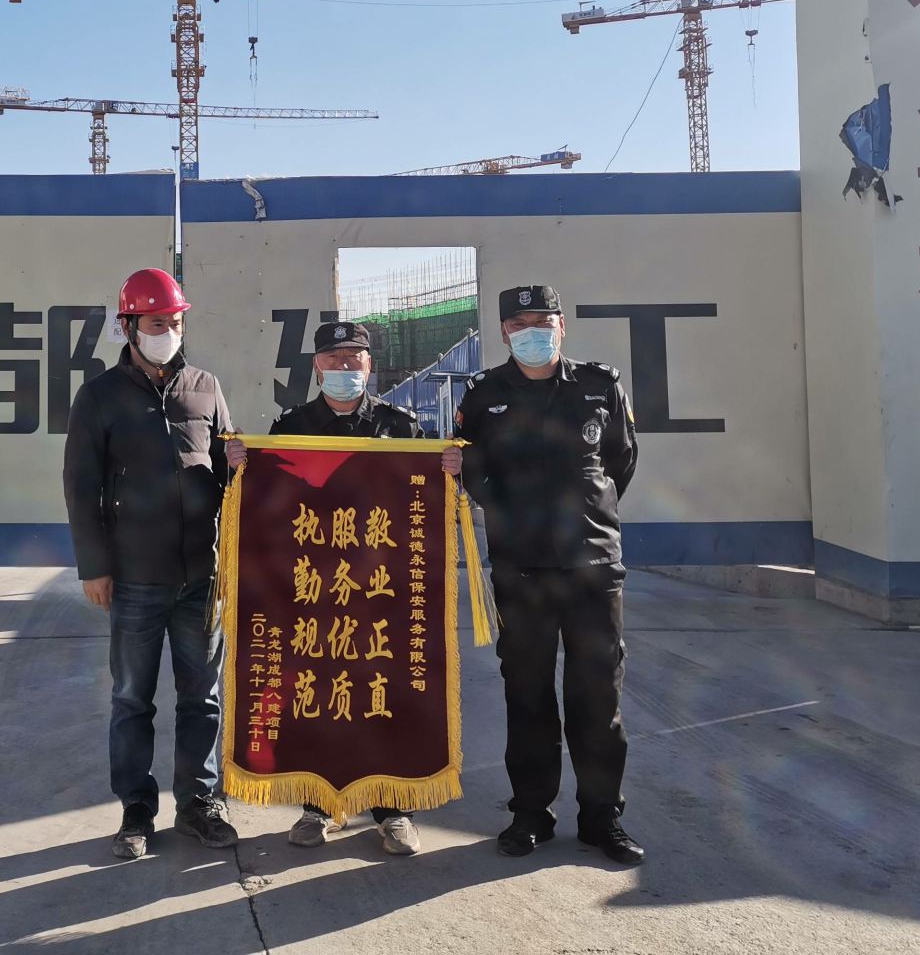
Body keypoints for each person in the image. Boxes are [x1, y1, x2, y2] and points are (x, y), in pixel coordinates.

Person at [225, 320, 462, 857]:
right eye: (333, 359)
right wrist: (242, 465)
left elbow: (427, 500)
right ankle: (317, 805)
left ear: (369, 365)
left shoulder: (400, 426)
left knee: (382, 691)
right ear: (317, 367)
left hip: (381, 589)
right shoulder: (291, 427)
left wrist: (450, 468)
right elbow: (268, 502)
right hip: (315, 591)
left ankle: (391, 809)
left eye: (354, 358)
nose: (344, 367)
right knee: (317, 690)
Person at [456, 285, 644, 865]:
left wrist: (584, 518)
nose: (531, 331)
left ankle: (601, 817)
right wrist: (512, 519)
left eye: (543, 320)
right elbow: (472, 472)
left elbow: (620, 462)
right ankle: (531, 814)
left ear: (562, 326)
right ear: (504, 332)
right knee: (527, 694)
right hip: (523, 570)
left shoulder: (600, 386)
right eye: (519, 323)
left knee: (597, 696)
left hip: (593, 568)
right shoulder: (484, 394)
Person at [62, 268, 239, 862]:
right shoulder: (99, 397)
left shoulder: (206, 387)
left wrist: (240, 460)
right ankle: (136, 808)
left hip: (201, 579)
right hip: (135, 578)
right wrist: (93, 566)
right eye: (157, 322)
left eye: (175, 322)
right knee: (132, 699)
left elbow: (230, 472)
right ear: (129, 326)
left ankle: (199, 803)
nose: (168, 332)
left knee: (202, 698)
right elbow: (80, 487)